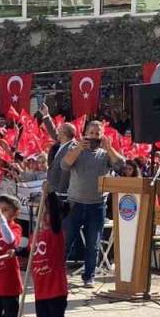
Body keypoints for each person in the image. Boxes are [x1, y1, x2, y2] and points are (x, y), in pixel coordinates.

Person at [62, 121, 124, 288]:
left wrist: (109, 148)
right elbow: (65, 165)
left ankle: (89, 276)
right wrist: (78, 149)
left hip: (97, 205)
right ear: (85, 134)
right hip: (75, 203)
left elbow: (121, 165)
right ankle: (58, 274)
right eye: (91, 133)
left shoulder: (105, 154)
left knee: (93, 243)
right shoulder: (75, 148)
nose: (94, 136)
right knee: (66, 241)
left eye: (98, 134)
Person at [30, 190, 69, 317]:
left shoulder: (56, 233)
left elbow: (54, 217)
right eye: (40, 213)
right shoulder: (35, 236)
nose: (43, 217)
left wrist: (49, 195)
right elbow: (29, 254)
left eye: (46, 213)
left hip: (55, 288)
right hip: (41, 288)